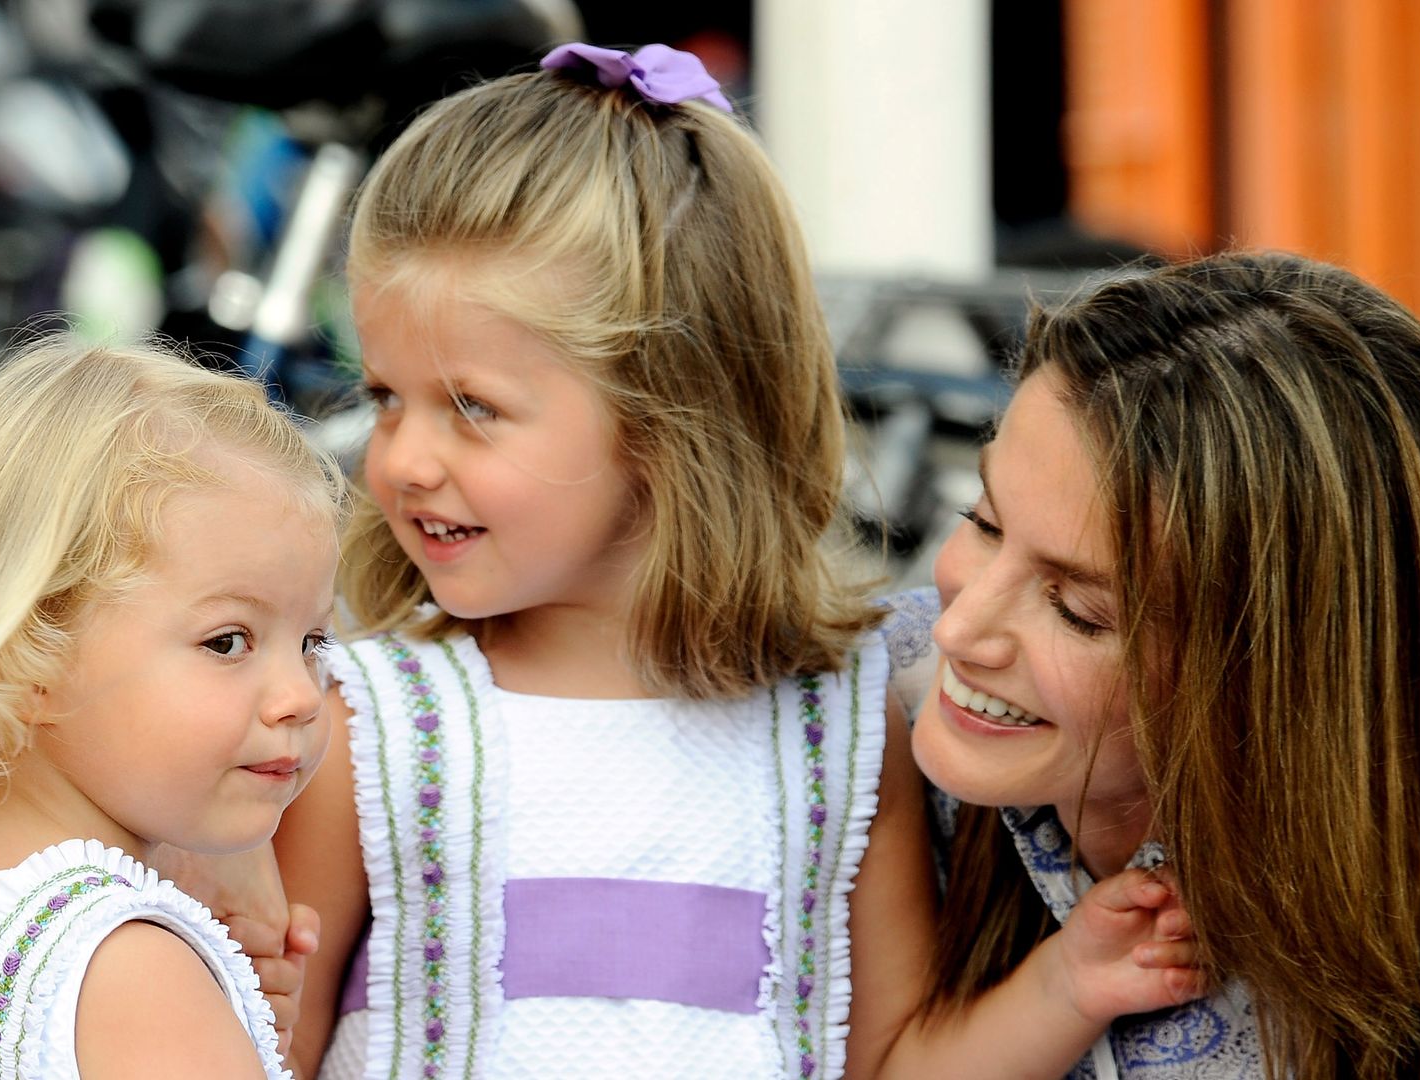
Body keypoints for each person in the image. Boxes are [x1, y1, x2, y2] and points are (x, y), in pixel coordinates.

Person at [251, 42, 1202, 1080]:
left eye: (472, 409)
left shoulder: (836, 727)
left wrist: (1069, 984)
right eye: (386, 397)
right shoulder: (371, 727)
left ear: (669, 413)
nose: (401, 459)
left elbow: (893, 1064)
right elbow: (264, 1052)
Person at [904, 251, 1420, 1078]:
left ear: (1274, 682)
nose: (960, 630)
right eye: (982, 522)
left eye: (1078, 611)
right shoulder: (848, 731)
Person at [0, 338, 344, 1080]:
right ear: (28, 652)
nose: (302, 695)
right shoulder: (136, 971)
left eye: (315, 639)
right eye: (228, 641)